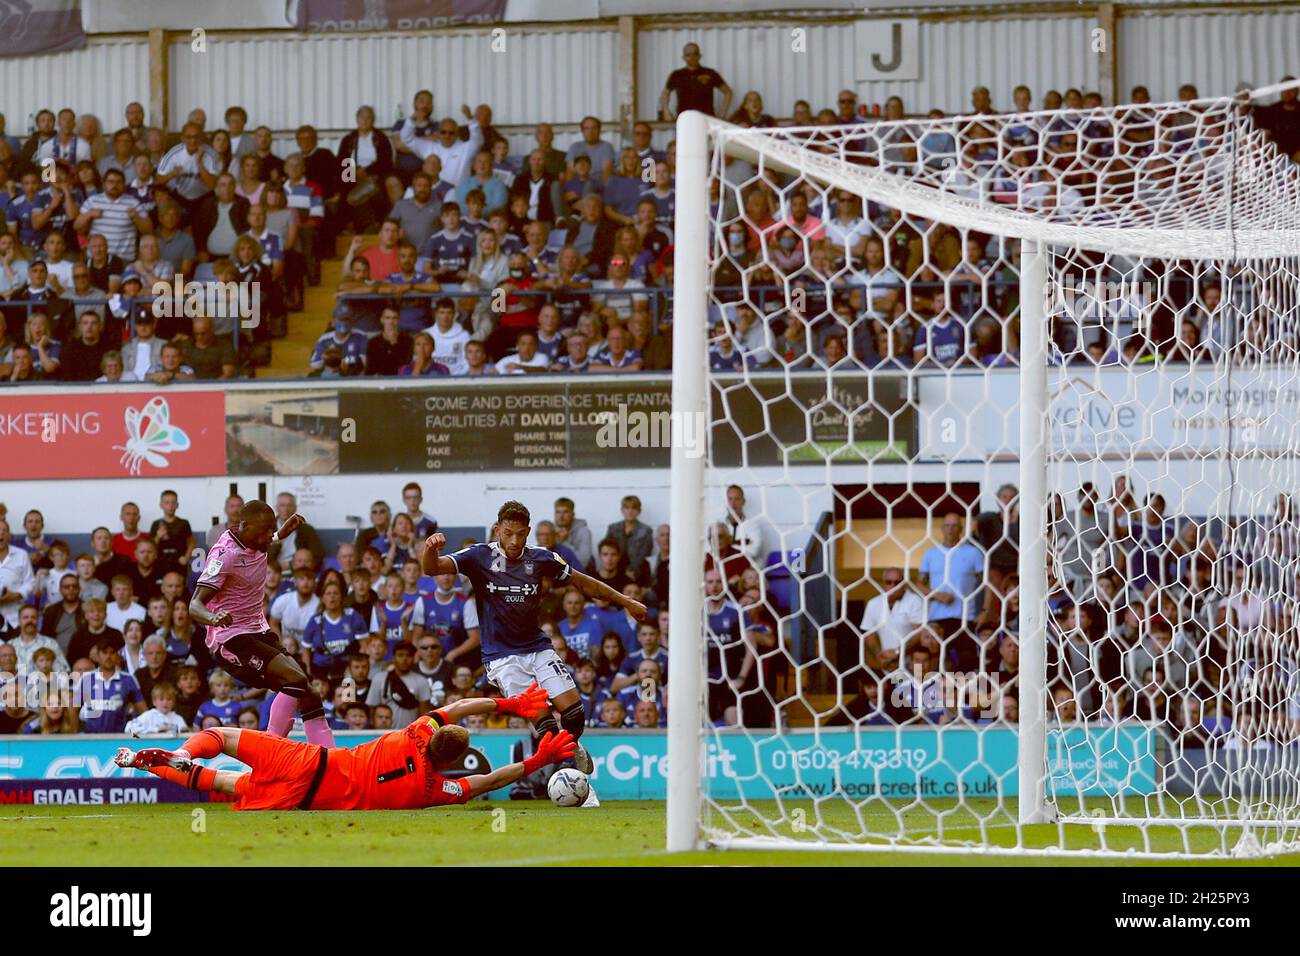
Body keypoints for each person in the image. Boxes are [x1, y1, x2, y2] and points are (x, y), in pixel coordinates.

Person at [421, 500, 648, 801]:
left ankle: (572, 751)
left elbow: (584, 583)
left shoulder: (542, 559)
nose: (514, 541)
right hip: (502, 658)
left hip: (538, 648)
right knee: (546, 728)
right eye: (508, 533)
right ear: (498, 529)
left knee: (576, 717)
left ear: (528, 531)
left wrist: (626, 602)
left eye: (521, 534)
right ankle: (578, 784)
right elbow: (431, 568)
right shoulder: (479, 556)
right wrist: (430, 548)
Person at [115, 683, 574, 810]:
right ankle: (153, 765)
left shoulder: (412, 732)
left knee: (224, 739)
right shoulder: (431, 790)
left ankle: (176, 753)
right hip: (304, 799)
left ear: (433, 736)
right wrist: (538, 760)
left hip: (307, 759)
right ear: (451, 763)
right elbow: (486, 781)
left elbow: (456, 706)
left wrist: (511, 703)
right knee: (224, 784)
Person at [190, 500, 334, 746]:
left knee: (309, 692)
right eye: (265, 531)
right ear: (245, 526)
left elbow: (263, 539)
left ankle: (329, 757)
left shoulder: (256, 538)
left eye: (272, 530)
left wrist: (280, 534)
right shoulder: (224, 556)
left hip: (258, 629)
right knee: (294, 681)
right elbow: (195, 605)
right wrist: (213, 618)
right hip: (232, 639)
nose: (270, 536)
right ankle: (270, 751)